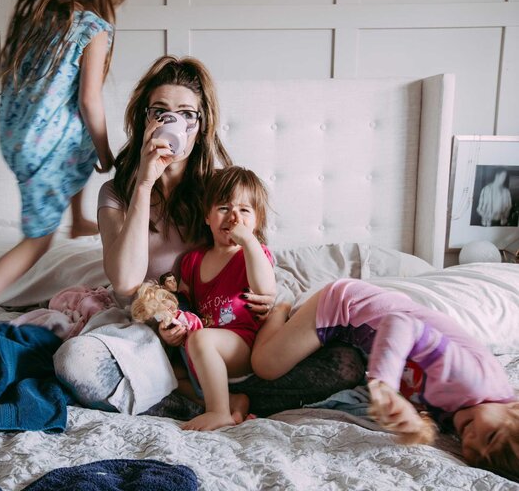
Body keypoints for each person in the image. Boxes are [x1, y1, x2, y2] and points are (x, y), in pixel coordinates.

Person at [55, 55, 365, 417]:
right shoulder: (116, 193)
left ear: (200, 126)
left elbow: (252, 256)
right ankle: (208, 397)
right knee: (73, 362)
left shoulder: (216, 193)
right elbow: (125, 282)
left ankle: (192, 391)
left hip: (220, 335)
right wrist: (144, 181)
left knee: (346, 363)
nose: (175, 122)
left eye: (188, 114)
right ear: (145, 119)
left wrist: (270, 301)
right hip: (150, 335)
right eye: (161, 111)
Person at [0, 0, 130, 331]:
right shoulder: (94, 28)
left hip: (19, 137)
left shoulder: (43, 22)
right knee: (39, 240)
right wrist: (106, 152)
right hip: (46, 144)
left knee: (77, 136)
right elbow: (90, 101)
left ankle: (76, 218)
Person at [250, 278, 519, 479]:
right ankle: (280, 308)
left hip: (359, 342)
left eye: (480, 459)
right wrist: (385, 385)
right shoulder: (470, 379)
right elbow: (399, 322)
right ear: (514, 410)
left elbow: (425, 388)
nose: (472, 441)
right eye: (491, 436)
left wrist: (414, 419)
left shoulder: (478, 405)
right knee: (266, 365)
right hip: (344, 307)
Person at [172, 166, 277, 431]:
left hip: (240, 344)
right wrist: (172, 326)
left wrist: (249, 242)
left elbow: (265, 289)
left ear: (257, 221)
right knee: (169, 375)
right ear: (207, 216)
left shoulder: (253, 254)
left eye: (244, 210)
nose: (234, 217)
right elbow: (182, 306)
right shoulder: (193, 260)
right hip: (203, 350)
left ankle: (217, 411)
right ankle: (231, 400)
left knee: (201, 338)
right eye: (223, 208)